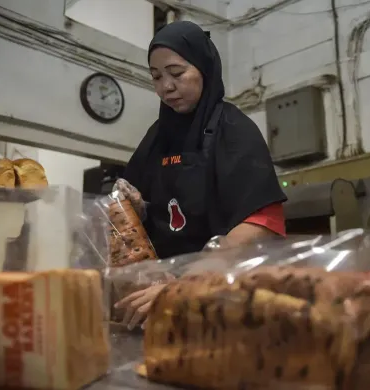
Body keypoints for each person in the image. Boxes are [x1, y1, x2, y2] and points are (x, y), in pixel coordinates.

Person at [113, 21, 287, 329]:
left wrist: (185, 284)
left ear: (204, 69)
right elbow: (128, 218)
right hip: (158, 300)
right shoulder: (157, 138)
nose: (166, 86)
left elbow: (264, 224)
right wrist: (133, 210)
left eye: (177, 73)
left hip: (220, 300)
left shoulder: (235, 131)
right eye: (156, 77)